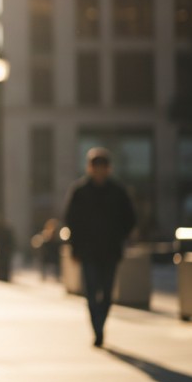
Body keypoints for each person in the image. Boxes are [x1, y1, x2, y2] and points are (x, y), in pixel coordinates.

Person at [63, 147, 137, 348]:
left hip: (110, 251)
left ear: (108, 169)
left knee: (106, 293)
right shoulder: (79, 191)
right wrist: (74, 248)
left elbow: (130, 218)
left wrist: (119, 237)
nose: (99, 171)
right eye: (95, 167)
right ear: (89, 168)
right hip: (87, 252)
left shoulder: (118, 191)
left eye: (102, 167)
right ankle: (98, 330)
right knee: (91, 292)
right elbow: (71, 221)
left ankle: (100, 325)